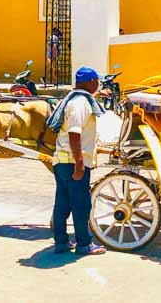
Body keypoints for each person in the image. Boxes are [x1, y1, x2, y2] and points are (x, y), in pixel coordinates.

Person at [49, 67, 106, 256]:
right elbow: (74, 134)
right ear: (90, 82)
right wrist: (79, 163)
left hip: (61, 161)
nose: (97, 84)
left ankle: (61, 242)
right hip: (72, 162)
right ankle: (84, 245)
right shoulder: (81, 103)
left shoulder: (75, 99)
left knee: (62, 204)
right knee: (81, 204)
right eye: (96, 81)